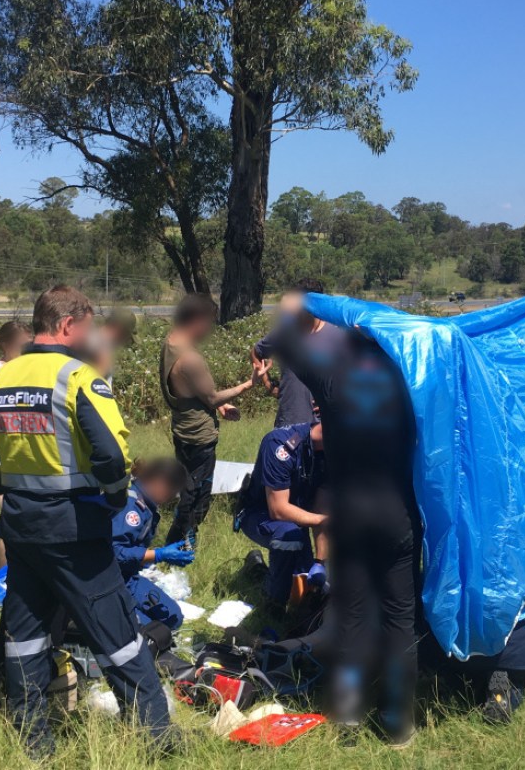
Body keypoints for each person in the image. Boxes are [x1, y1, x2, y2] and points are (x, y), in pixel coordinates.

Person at [0, 285, 174, 759]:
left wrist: (1, 482)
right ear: (69, 325)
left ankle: (34, 744)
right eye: (87, 328)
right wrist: (111, 501)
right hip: (76, 532)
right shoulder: (76, 377)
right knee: (121, 640)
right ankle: (157, 742)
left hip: (22, 531)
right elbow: (112, 454)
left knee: (25, 639)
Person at [272, 300, 420, 747]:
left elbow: (284, 340)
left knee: (352, 614)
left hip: (350, 513)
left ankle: (350, 718)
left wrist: (307, 306)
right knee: (400, 617)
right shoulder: (412, 383)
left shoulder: (333, 379)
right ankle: (397, 724)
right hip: (398, 511)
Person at [159, 293, 269, 546]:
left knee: (188, 483)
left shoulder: (171, 343)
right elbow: (211, 396)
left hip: (182, 428)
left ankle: (181, 538)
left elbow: (190, 388)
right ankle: (182, 541)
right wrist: (249, 383)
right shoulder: (191, 358)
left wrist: (218, 406)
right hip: (199, 435)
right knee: (197, 491)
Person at [236, 422, 328, 607]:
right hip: (261, 514)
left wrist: (320, 561)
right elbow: (278, 509)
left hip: (297, 520)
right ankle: (273, 604)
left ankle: (259, 568)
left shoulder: (333, 454)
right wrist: (326, 520)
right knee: (290, 539)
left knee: (303, 590)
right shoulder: (280, 444)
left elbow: (322, 507)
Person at [112, 458, 195, 631]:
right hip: (110, 583)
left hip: (129, 578)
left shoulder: (148, 505)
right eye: (172, 492)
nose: (172, 498)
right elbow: (114, 553)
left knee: (173, 618)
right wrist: (158, 555)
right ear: (158, 482)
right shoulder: (132, 507)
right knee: (150, 632)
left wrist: (163, 557)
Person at [252, 279, 347, 428]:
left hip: (324, 425)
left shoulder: (336, 336)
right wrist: (269, 385)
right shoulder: (285, 333)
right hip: (290, 418)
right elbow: (257, 352)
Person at [0, 320, 34, 572]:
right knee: (10, 519)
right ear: (4, 344)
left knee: (23, 517)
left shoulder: (26, 367)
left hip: (21, 451)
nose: (23, 348)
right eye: (19, 344)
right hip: (1, 452)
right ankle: (3, 579)